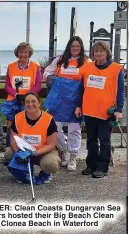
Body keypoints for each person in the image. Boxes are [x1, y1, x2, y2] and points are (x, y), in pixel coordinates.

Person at [75, 41, 125, 178]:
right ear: (93, 53)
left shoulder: (116, 69)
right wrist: (79, 105)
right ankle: (91, 165)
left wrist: (119, 109)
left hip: (106, 111)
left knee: (104, 140)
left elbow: (121, 91)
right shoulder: (87, 67)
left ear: (107, 52)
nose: (98, 53)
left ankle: (102, 167)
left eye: (101, 51)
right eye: (96, 51)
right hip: (90, 110)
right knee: (91, 140)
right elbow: (81, 89)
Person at [43, 36, 90, 171]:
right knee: (55, 128)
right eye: (73, 46)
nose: (75, 48)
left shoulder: (87, 62)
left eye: (78, 46)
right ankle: (63, 151)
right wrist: (51, 79)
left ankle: (73, 156)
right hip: (59, 101)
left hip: (76, 101)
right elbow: (47, 72)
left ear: (81, 48)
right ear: (69, 47)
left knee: (74, 130)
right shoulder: (60, 60)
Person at [4, 92, 60, 183]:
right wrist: (19, 153)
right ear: (23, 104)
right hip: (24, 152)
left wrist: (35, 153)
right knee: (8, 153)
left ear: (39, 103)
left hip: (43, 152)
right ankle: (23, 171)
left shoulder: (49, 119)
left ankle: (46, 173)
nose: (30, 104)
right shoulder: (17, 118)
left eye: (33, 101)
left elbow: (51, 144)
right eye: (27, 102)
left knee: (51, 164)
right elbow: (13, 140)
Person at [4, 42, 42, 146]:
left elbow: (38, 85)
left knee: (26, 123)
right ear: (17, 53)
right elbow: (7, 85)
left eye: (26, 52)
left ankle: (26, 146)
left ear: (29, 53)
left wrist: (27, 96)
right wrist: (16, 95)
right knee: (11, 124)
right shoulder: (11, 67)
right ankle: (10, 146)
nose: (23, 54)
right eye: (21, 52)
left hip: (29, 101)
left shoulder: (36, 67)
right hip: (13, 101)